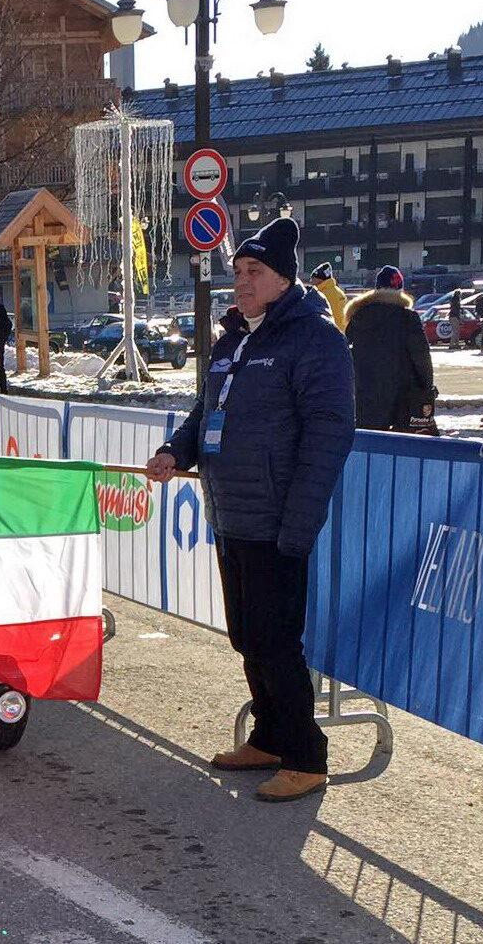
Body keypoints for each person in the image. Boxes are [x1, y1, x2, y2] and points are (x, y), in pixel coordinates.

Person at [143, 216, 354, 803]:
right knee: (247, 636)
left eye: (253, 272)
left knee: (276, 640)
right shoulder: (234, 339)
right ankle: (268, 737)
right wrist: (174, 451)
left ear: (284, 278)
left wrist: (300, 522)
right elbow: (204, 414)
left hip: (277, 521)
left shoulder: (314, 339)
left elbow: (329, 434)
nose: (241, 281)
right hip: (230, 514)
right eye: (237, 271)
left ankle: (306, 756)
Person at [344, 266, 436, 431]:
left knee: (370, 439)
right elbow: (421, 356)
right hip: (403, 394)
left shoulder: (359, 316)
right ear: (400, 290)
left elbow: (346, 353)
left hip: (365, 392)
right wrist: (427, 386)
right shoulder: (408, 317)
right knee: (400, 441)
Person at [308, 262, 347, 332]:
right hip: (341, 332)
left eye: (313, 278)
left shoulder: (320, 294)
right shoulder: (339, 292)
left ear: (320, 279)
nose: (311, 281)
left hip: (328, 333)